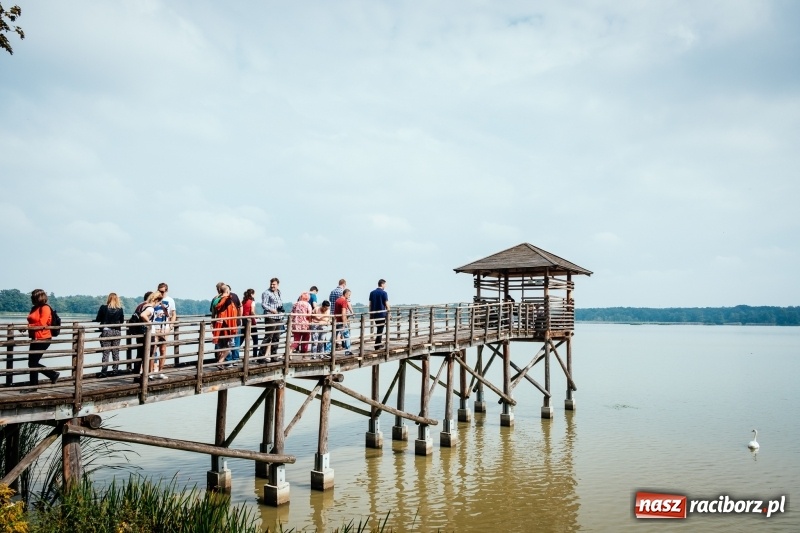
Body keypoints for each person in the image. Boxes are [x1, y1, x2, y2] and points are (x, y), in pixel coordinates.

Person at [26, 289, 59, 387]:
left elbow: (42, 323)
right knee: (32, 363)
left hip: (44, 338)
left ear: (39, 297)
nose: (32, 298)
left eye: (33, 297)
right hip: (35, 338)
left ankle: (34, 386)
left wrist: (28, 327)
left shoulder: (45, 308)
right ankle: (52, 375)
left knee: (33, 362)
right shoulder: (34, 308)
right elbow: (32, 321)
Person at [94, 292, 125, 377]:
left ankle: (104, 372)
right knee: (115, 352)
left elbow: (98, 318)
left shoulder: (103, 308)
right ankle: (115, 370)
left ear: (108, 299)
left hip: (106, 331)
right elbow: (122, 321)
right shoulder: (120, 309)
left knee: (105, 352)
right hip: (117, 332)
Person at [211, 282, 238, 367]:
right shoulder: (228, 299)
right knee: (228, 345)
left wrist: (212, 322)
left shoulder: (216, 299)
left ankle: (220, 361)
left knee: (220, 344)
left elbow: (213, 311)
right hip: (226, 324)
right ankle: (220, 361)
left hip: (218, 323)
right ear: (227, 291)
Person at [259, 277, 284, 361]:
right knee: (268, 337)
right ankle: (261, 356)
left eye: (274, 284)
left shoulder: (279, 292)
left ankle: (274, 356)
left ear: (278, 285)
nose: (272, 286)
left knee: (276, 337)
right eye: (271, 284)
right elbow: (264, 304)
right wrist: (272, 310)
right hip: (270, 316)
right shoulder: (266, 293)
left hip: (279, 316)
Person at [149, 296, 170, 379]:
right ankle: (151, 372)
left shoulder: (166, 304)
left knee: (163, 350)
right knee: (152, 351)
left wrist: (169, 327)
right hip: (154, 330)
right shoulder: (152, 306)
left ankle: (160, 372)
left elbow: (169, 315)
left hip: (163, 330)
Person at [368, 279, 390, 348]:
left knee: (379, 328)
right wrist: (389, 313)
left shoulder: (372, 293)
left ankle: (378, 344)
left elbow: (370, 304)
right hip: (382, 314)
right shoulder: (384, 293)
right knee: (380, 329)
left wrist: (370, 314)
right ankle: (377, 345)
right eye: (385, 284)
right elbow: (386, 304)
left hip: (374, 314)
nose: (385, 286)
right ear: (382, 284)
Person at [334, 288, 353, 355]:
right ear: (346, 294)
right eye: (349, 295)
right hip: (342, 322)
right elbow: (343, 313)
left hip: (336, 321)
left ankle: (327, 351)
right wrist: (344, 323)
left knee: (334, 336)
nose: (349, 297)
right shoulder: (344, 301)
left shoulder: (337, 300)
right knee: (347, 336)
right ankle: (348, 351)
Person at [226, 284, 243, 362]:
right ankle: (235, 358)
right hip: (236, 321)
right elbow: (240, 307)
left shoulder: (223, 298)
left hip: (229, 323)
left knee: (228, 341)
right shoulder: (235, 296)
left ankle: (229, 359)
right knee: (236, 341)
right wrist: (240, 317)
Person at [241, 288, 259, 358]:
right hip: (251, 322)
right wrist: (256, 316)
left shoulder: (243, 301)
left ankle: (233, 353)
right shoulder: (252, 302)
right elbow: (252, 312)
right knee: (255, 339)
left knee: (242, 338)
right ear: (252, 294)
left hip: (244, 321)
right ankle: (254, 355)